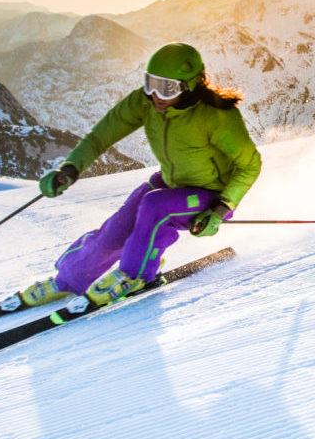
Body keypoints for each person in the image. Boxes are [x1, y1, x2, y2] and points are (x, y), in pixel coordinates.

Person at [17, 42, 262, 308]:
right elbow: (101, 136)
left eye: (166, 87)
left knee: (155, 206)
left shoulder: (217, 116)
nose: (155, 94)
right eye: (150, 83)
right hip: (170, 183)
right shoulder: (144, 103)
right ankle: (67, 280)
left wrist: (221, 208)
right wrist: (70, 167)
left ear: (190, 86)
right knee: (116, 229)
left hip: (210, 196)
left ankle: (136, 275)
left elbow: (250, 164)